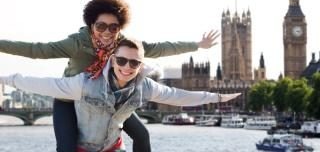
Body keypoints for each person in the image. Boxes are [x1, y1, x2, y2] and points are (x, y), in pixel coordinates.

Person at [0, 0, 219, 152]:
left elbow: (160, 47)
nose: (107, 32)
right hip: (70, 99)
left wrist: (197, 44)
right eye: (101, 26)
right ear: (91, 25)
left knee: (142, 134)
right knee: (66, 146)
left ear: (119, 27)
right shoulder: (76, 43)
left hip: (107, 100)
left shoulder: (123, 44)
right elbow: (35, 49)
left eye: (113, 27)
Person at [0, 38, 241, 152]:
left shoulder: (145, 86)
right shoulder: (85, 84)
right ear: (113, 59)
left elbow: (178, 96)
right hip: (83, 148)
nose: (127, 67)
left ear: (140, 64)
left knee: (143, 136)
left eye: (134, 63)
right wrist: (5, 79)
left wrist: (216, 97)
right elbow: (39, 83)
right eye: (122, 60)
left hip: (113, 148)